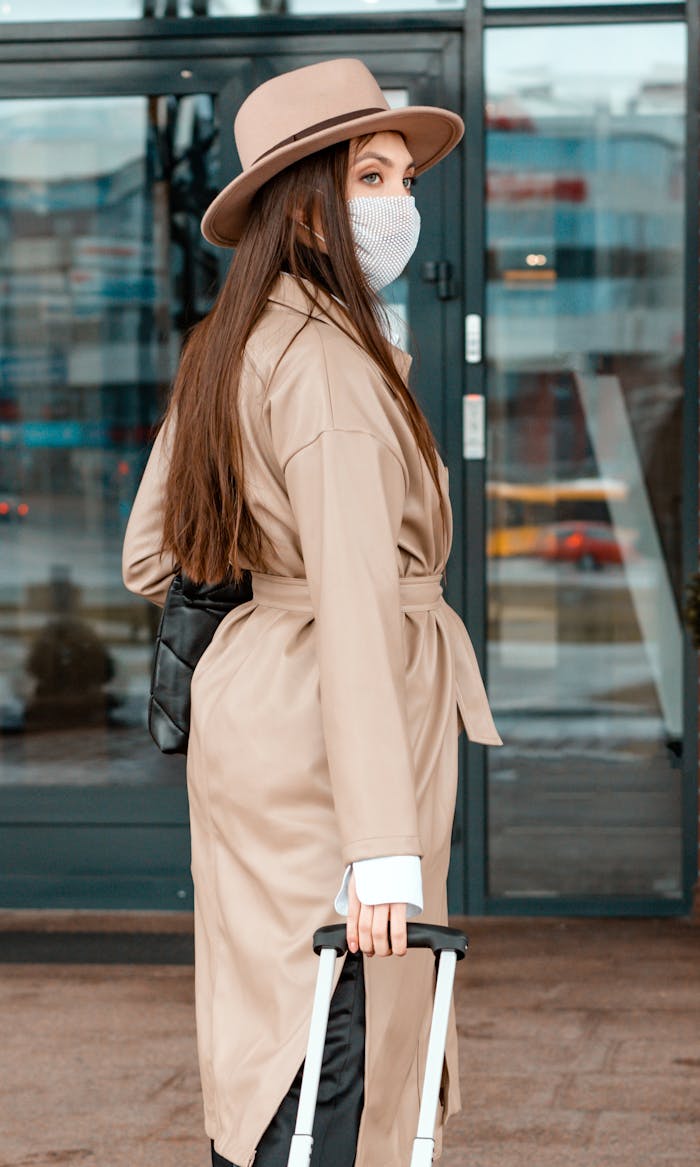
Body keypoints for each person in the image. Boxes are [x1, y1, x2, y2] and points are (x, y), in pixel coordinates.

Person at [122, 57, 502, 1167]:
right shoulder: (330, 364)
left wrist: (264, 564)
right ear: (304, 207)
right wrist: (381, 848)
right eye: (369, 178)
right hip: (335, 732)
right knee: (335, 1023)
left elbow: (151, 555)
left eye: (403, 179)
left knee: (269, 1015)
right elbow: (352, 601)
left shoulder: (231, 340)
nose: (399, 204)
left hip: (258, 712)